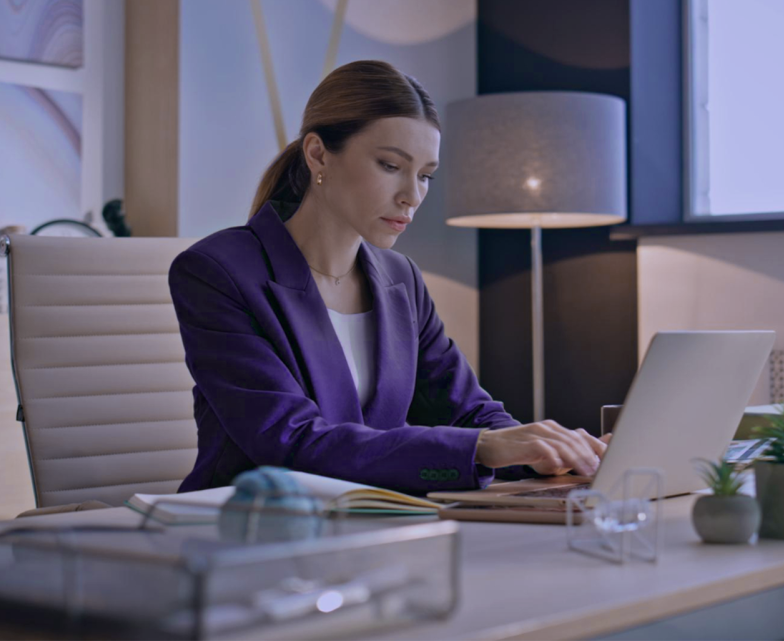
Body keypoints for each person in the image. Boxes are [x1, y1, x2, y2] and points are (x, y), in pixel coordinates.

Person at [170, 59, 608, 494]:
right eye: (390, 165)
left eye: (426, 175)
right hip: (250, 523)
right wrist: (482, 447)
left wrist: (549, 452)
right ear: (318, 153)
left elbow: (468, 411)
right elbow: (289, 439)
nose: (412, 196)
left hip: (379, 518)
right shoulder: (217, 272)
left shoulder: (400, 278)